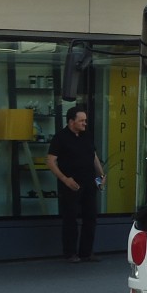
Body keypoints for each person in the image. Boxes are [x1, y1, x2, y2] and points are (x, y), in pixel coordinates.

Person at [46, 107, 105, 263]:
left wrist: (101, 175)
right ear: (71, 122)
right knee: (70, 218)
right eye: (81, 120)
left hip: (89, 181)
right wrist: (65, 179)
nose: (85, 123)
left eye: (85, 120)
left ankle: (86, 252)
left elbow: (94, 157)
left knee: (90, 216)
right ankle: (70, 253)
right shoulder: (60, 137)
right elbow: (51, 161)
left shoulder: (87, 136)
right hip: (71, 182)